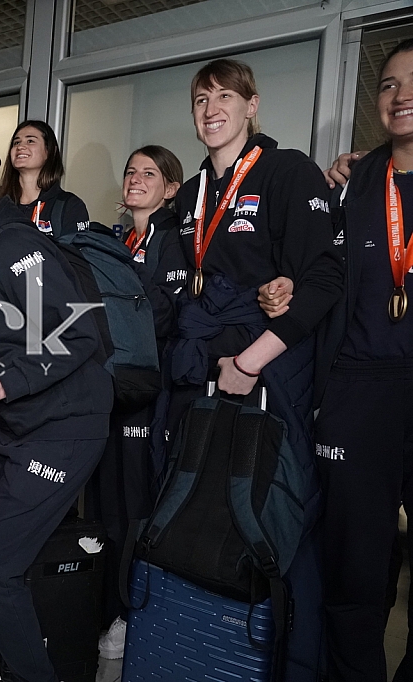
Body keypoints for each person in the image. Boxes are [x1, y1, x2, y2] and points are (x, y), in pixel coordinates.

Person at [164, 58, 343, 680]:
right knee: (211, 516)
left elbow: (322, 280)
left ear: (252, 105)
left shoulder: (286, 172)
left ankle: (292, 667)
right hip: (210, 371)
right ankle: (215, 654)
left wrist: (250, 359)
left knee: (280, 522)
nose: (211, 109)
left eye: (224, 97)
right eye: (200, 99)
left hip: (271, 372)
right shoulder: (191, 195)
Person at [0, 140, 113, 682]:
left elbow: (72, 333)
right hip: (13, 427)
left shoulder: (10, 243)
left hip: (63, 429)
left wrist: (1, 383)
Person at [315, 38, 413, 682]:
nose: (401, 95)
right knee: (355, 565)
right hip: (359, 389)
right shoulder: (356, 182)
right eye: (388, 84)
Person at [89, 145, 185, 660]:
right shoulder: (114, 239)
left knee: (133, 510)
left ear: (171, 188)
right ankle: (102, 608)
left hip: (147, 395)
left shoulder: (172, 240)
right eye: (130, 171)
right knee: (102, 508)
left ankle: (129, 615)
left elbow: (166, 315)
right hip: (105, 392)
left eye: (150, 173)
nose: (135, 179)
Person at [0, 120, 90, 241]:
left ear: (49, 151)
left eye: (30, 141)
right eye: (16, 142)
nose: (20, 146)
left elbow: (74, 257)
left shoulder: (70, 205)